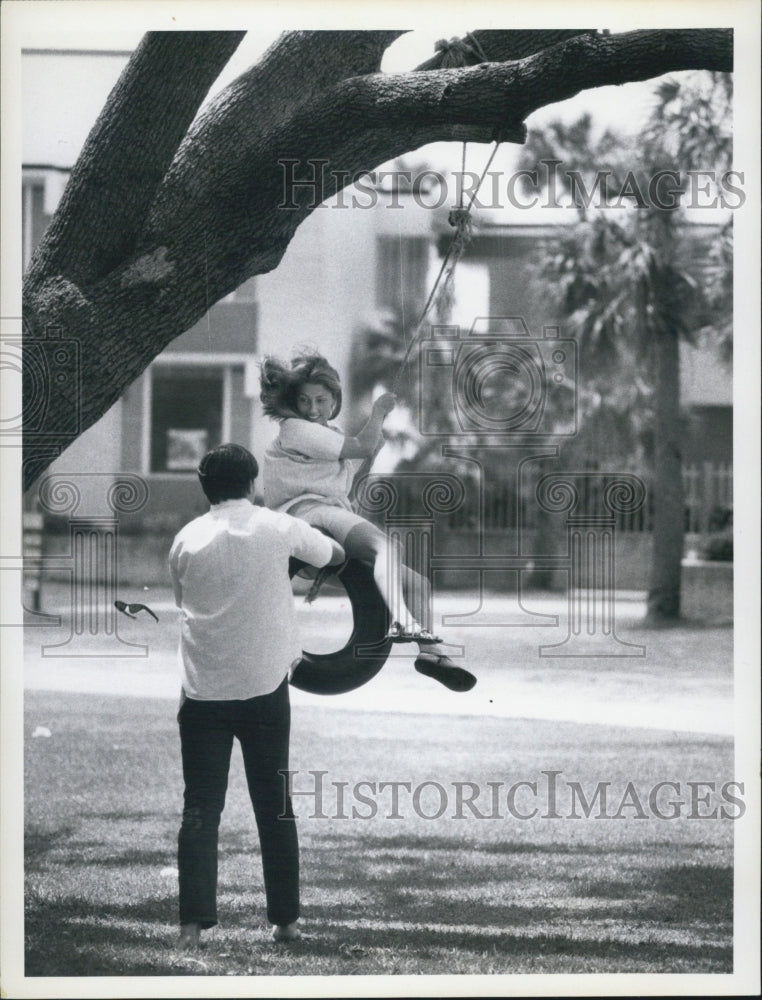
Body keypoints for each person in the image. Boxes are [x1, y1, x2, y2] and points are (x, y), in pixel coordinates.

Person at [168, 443, 346, 950]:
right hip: (266, 687)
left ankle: (190, 927)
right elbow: (334, 554)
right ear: (252, 483)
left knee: (200, 808)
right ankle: (285, 921)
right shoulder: (277, 526)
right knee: (275, 806)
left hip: (202, 690)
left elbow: (185, 602)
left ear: (205, 487)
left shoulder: (185, 538)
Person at [259, 350, 476, 693]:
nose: (312, 409)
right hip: (306, 516)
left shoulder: (325, 434)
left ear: (335, 400)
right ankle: (405, 622)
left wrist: (370, 455)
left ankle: (432, 655)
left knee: (418, 584)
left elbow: (351, 480)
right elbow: (360, 444)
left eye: (321, 400)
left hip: (325, 523)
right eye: (303, 400)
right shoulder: (295, 429)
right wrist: (378, 413)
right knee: (387, 547)